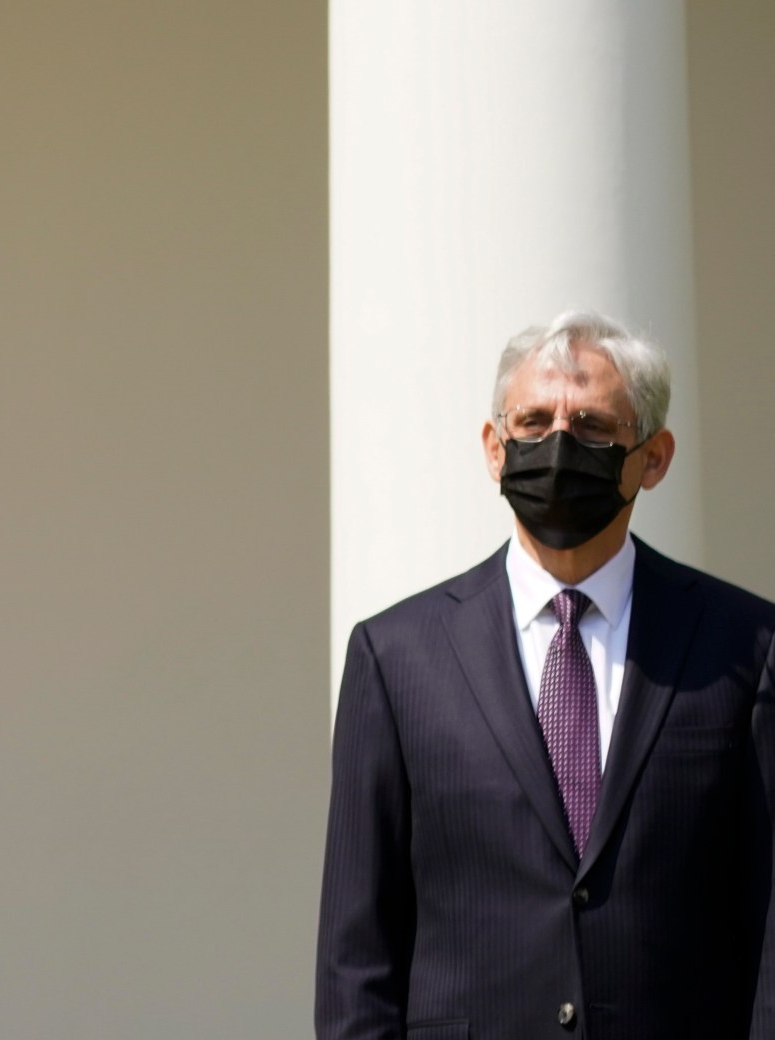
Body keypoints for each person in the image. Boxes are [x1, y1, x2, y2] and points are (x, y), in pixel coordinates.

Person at [317, 312, 775, 1037]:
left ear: (653, 459)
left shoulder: (745, 646)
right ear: (494, 449)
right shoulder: (396, 656)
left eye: (593, 427)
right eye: (533, 422)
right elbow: (357, 952)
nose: (558, 446)